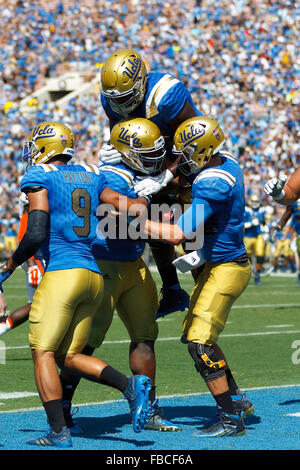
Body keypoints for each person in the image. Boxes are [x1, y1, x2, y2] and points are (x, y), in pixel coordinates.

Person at [0, 121, 151, 448]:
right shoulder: (92, 174)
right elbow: (132, 207)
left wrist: (9, 265)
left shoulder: (39, 175)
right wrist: (144, 198)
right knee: (68, 356)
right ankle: (130, 386)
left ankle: (58, 432)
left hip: (63, 275)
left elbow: (36, 232)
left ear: (45, 147)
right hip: (93, 276)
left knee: (42, 353)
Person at [59, 117, 181, 433]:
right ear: (127, 152)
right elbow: (127, 215)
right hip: (104, 261)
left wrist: (164, 176)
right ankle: (63, 406)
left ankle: (149, 407)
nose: (154, 160)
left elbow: (176, 169)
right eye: (147, 154)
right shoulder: (113, 174)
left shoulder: (139, 172)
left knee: (144, 335)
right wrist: (149, 202)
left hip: (133, 262)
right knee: (85, 343)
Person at [134, 116, 253, 437]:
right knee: (196, 335)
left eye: (186, 152)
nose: (181, 159)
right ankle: (237, 399)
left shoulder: (211, 182)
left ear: (202, 151)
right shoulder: (227, 162)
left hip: (226, 268)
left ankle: (230, 419)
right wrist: (165, 181)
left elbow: (178, 234)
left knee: (200, 344)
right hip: (218, 261)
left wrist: (137, 222)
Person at [99, 48, 202, 317]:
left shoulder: (166, 95)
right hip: (149, 160)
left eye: (126, 98)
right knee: (154, 218)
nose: (120, 106)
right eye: (116, 100)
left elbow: (196, 140)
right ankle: (172, 290)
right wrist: (112, 148)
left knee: (191, 229)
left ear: (141, 83)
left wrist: (167, 175)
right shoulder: (109, 99)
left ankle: (203, 290)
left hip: (185, 158)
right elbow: (119, 132)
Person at [0, 193, 45, 337]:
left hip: (34, 255)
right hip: (36, 257)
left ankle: (2, 327)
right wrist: (32, 263)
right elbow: (26, 232)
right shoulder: (35, 190)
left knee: (34, 305)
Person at [243, 195, 265, 285]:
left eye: (256, 202)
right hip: (247, 236)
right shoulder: (246, 210)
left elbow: (263, 222)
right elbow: (241, 223)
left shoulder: (261, 210)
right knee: (247, 257)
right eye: (253, 201)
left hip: (258, 235)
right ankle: (248, 273)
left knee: (260, 256)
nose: (255, 204)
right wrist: (250, 224)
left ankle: (257, 275)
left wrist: (265, 228)